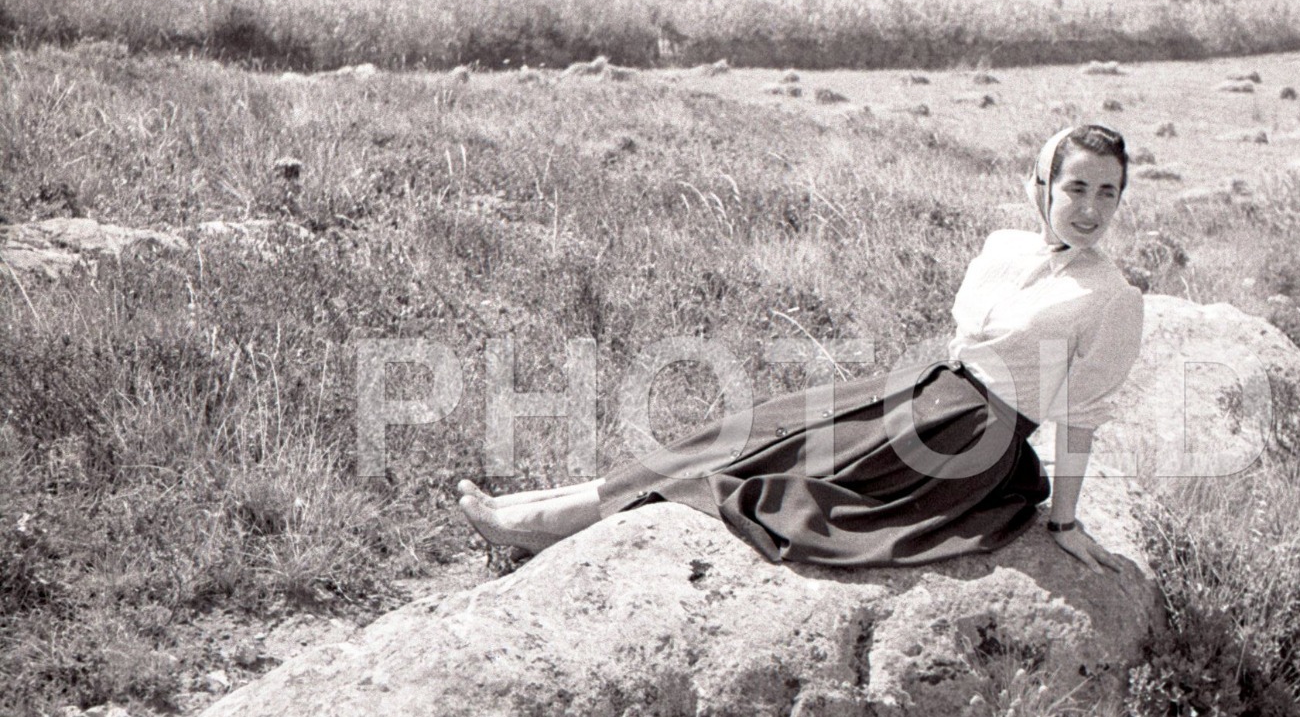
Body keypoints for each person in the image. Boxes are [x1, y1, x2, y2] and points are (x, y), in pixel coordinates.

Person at [457, 125, 1145, 574]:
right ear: (1042, 186)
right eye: (1075, 186)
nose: (1089, 207)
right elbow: (965, 343)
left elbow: (1080, 416)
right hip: (923, 390)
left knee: (767, 476)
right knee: (749, 429)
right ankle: (530, 509)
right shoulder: (1005, 246)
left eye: (1106, 192)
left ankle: (537, 525)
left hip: (968, 441)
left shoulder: (1111, 297)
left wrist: (1064, 520)